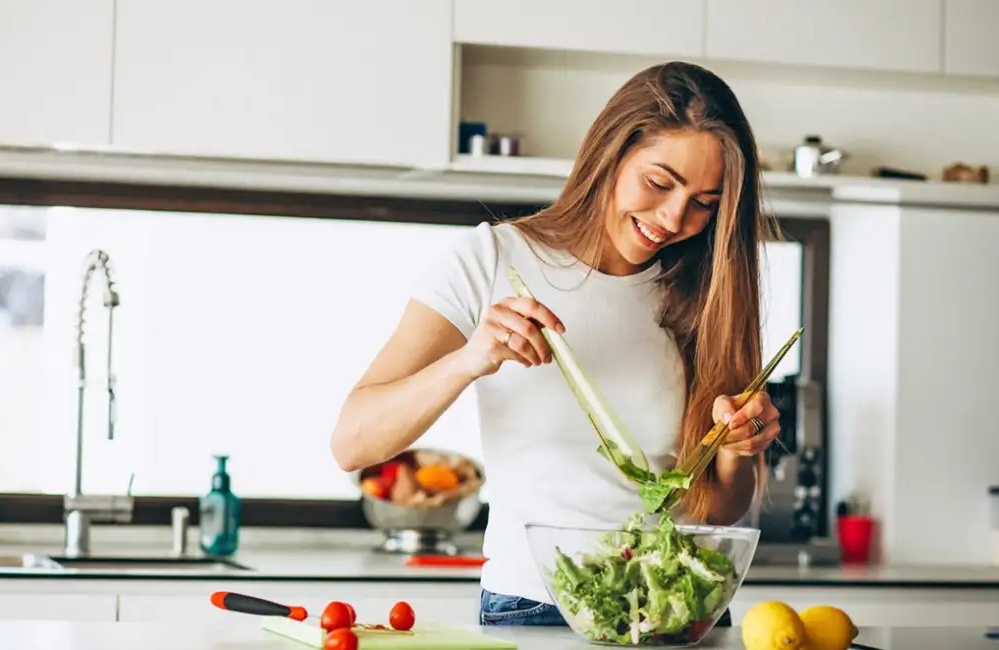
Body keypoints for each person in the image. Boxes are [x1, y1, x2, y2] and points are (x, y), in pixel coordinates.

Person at [330, 61, 782, 628]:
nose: (673, 218)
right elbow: (353, 442)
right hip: (536, 606)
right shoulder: (492, 261)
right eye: (659, 183)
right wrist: (469, 360)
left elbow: (715, 507)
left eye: (704, 203)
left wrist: (739, 448)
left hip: (680, 608)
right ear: (610, 155)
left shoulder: (706, 293)